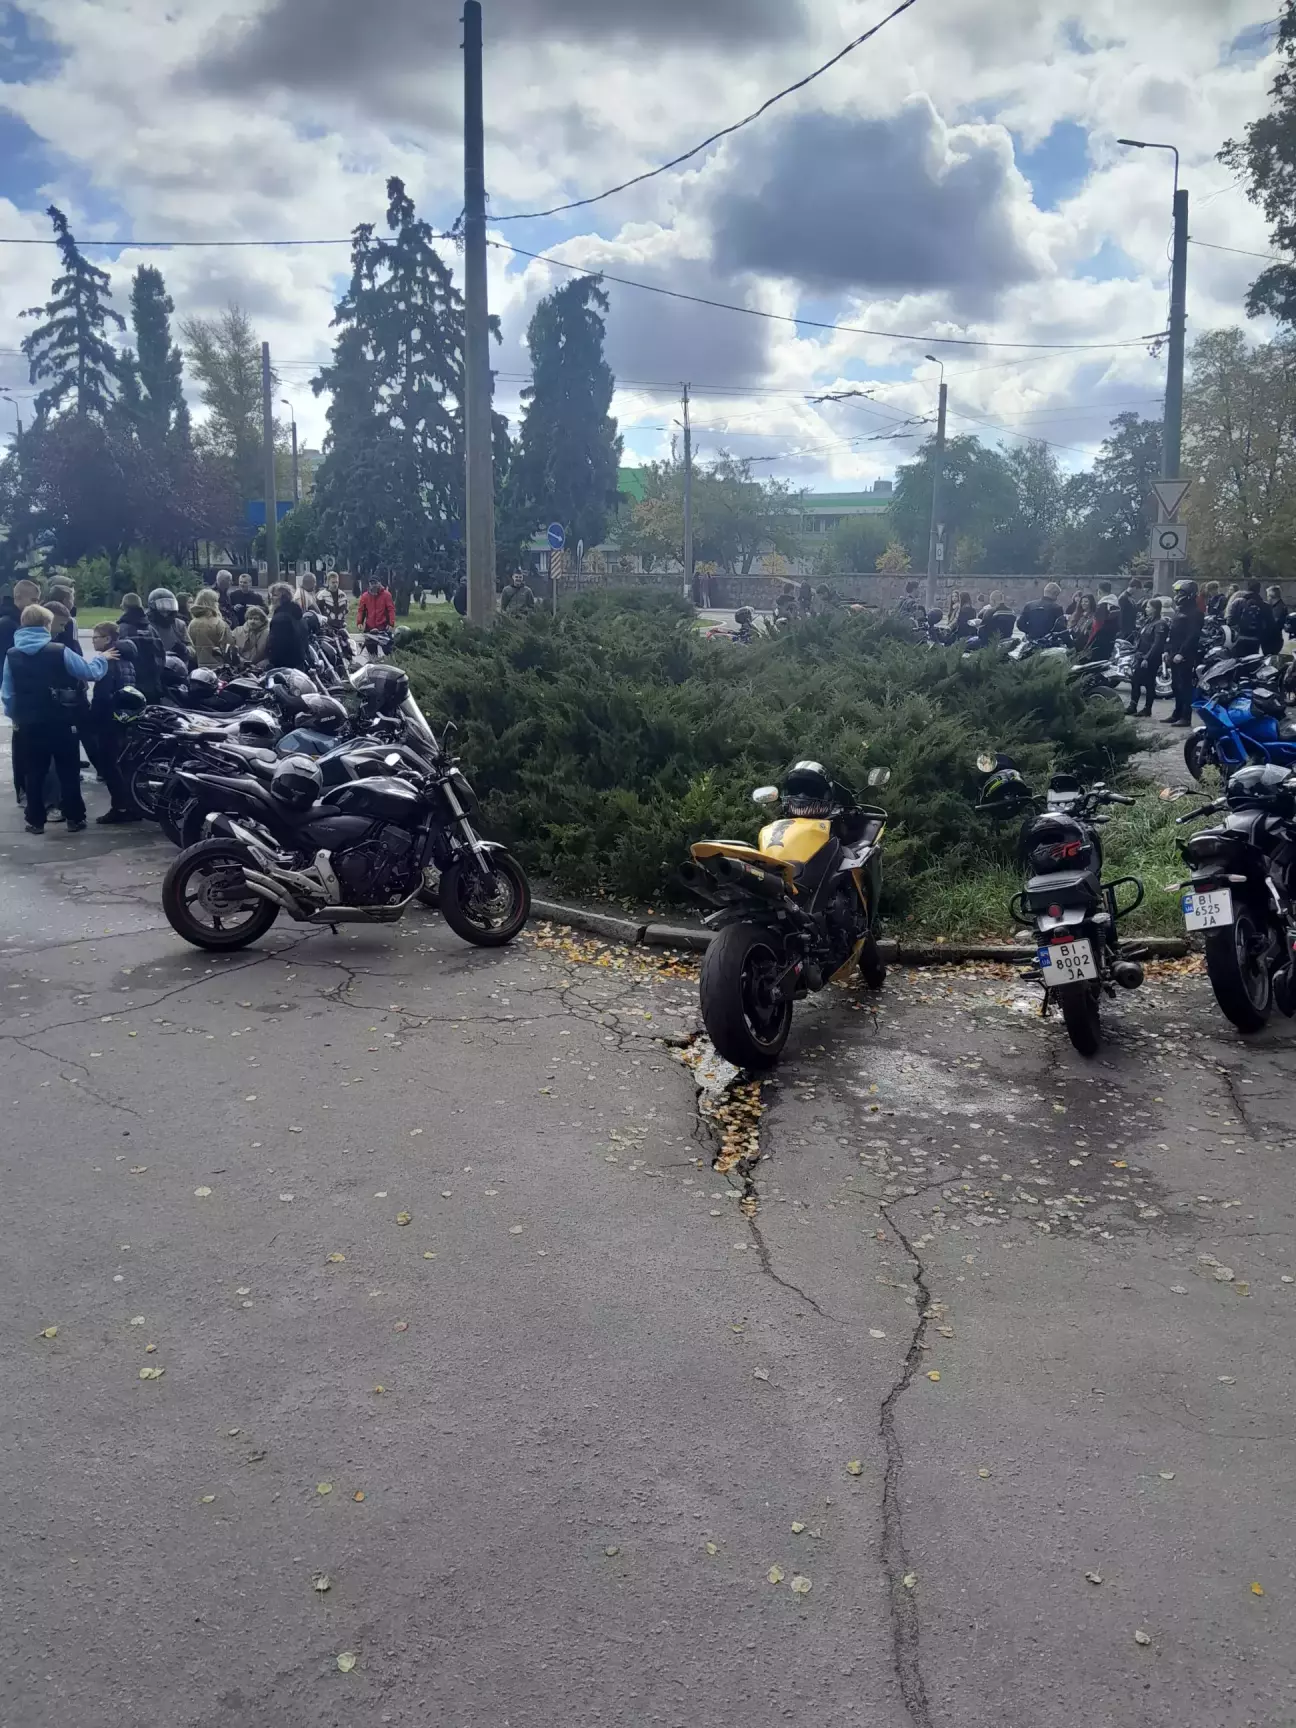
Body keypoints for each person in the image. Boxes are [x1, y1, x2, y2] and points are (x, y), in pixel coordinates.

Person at [2, 603, 117, 834]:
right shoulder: (59, 650)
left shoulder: (12, 655)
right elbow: (89, 672)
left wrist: (17, 716)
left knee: (34, 772)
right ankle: (75, 817)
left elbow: (7, 693)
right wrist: (102, 658)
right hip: (61, 720)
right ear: (46, 625)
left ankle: (35, 820)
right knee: (68, 769)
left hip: (29, 723)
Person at [79, 621, 139, 824]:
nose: (93, 640)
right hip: (124, 717)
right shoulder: (127, 659)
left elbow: (102, 696)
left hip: (108, 719)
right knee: (124, 765)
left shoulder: (107, 661)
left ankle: (120, 807)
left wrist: (92, 718)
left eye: (96, 636)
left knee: (109, 765)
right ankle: (132, 804)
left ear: (107, 639)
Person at [1166, 579, 1203, 725]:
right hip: (1173, 653)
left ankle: (1185, 716)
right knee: (1175, 685)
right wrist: (1167, 650)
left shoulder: (1195, 613)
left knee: (1185, 686)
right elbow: (1172, 633)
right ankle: (1177, 712)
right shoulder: (1179, 611)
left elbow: (1193, 635)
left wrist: (1182, 653)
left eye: (1180, 592)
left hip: (1185, 655)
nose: (1177, 596)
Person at [117, 592, 163, 700]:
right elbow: (161, 656)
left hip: (131, 686)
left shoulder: (121, 629)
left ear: (123, 607)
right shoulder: (152, 630)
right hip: (152, 686)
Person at [1127, 598, 1167, 717]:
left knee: (1149, 684)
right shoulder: (1148, 621)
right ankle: (1133, 706)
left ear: (1155, 609)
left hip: (1150, 658)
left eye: (1148, 607)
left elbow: (1157, 643)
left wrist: (1147, 658)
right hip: (1140, 655)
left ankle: (1147, 708)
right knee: (1135, 681)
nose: (1146, 609)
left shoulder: (1160, 623)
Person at [1227, 576, 1282, 657]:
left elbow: (1229, 621)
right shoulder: (1265, 605)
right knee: (1251, 662)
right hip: (1255, 640)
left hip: (1239, 639)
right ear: (1259, 590)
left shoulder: (1237, 602)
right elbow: (1270, 626)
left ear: (1247, 588)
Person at [189, 588, 236, 668]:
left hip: (198, 668)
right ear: (213, 603)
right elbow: (228, 648)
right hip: (218, 668)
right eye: (216, 601)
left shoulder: (192, 623)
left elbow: (190, 647)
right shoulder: (219, 623)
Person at [267, 585, 310, 670]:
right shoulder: (299, 616)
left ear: (284, 598)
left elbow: (277, 646)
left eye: (275, 595)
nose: (271, 598)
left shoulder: (280, 619)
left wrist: (270, 662)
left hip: (285, 667)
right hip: (300, 663)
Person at [147, 588, 191, 663]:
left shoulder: (179, 624)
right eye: (162, 606)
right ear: (153, 606)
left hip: (178, 667)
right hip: (154, 666)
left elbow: (192, 649)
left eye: (170, 605)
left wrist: (185, 650)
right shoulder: (147, 625)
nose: (166, 610)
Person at [1080, 596, 1121, 664]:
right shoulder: (1101, 622)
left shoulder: (1105, 625)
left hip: (1095, 656)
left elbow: (1097, 641)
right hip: (1093, 653)